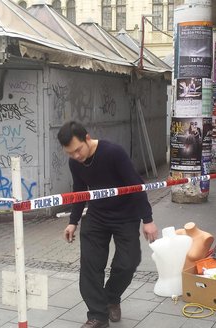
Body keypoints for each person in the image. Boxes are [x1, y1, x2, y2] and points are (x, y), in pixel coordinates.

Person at [57, 121, 158, 328]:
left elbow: (136, 185)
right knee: (91, 266)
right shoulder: (75, 163)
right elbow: (79, 190)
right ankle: (97, 316)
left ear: (87, 138)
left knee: (128, 262)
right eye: (70, 153)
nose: (76, 156)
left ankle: (111, 297)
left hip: (126, 215)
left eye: (77, 150)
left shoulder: (113, 153)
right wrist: (73, 222)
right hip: (97, 216)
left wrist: (147, 220)